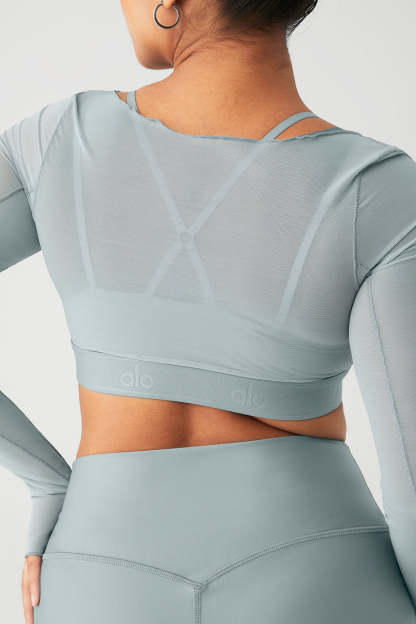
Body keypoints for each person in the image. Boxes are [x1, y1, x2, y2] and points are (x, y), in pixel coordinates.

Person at [1, 0, 416, 622]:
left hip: (103, 570)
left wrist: (46, 481)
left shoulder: (58, 139)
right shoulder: (377, 186)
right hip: (321, 570)